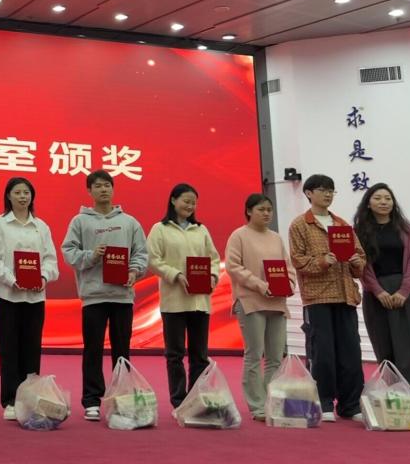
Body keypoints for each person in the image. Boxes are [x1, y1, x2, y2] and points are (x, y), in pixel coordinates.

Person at [61, 169, 147, 421]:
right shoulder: (80, 222)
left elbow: (141, 253)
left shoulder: (129, 222)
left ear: (113, 188)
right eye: (98, 186)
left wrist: (134, 271)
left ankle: (122, 397)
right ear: (89, 191)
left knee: (122, 350)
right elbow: (69, 252)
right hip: (94, 296)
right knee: (93, 349)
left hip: (122, 295)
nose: (103, 190)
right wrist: (91, 255)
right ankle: (92, 401)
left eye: (107, 185)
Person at [288, 173, 366, 422]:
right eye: (322, 190)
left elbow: (360, 257)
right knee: (323, 352)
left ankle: (350, 405)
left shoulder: (342, 224)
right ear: (309, 193)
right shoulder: (300, 224)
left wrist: (356, 261)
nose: (328, 194)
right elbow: (298, 260)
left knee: (351, 351)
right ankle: (323, 402)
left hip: (345, 294)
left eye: (331, 190)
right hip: (318, 297)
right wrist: (323, 261)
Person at [0, 177, 59, 420]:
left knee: (32, 348)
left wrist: (44, 277)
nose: (22, 196)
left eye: (26, 192)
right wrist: (11, 279)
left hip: (35, 297)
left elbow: (50, 259)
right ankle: (10, 401)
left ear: (32, 196)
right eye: (17, 192)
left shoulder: (41, 226)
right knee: (8, 349)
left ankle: (29, 399)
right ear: (8, 196)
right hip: (7, 295)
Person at [147, 182, 221, 408]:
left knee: (200, 355)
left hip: (200, 301)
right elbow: (153, 260)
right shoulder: (160, 229)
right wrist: (175, 274)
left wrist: (213, 276)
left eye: (194, 203)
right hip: (174, 301)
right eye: (186, 201)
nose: (190, 206)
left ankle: (196, 398)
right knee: (175, 354)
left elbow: (214, 259)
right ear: (173, 200)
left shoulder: (201, 229)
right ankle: (179, 401)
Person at [224, 193, 296, 420]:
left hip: (277, 302)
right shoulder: (239, 235)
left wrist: (289, 284)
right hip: (250, 301)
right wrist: (261, 285)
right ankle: (256, 406)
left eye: (269, 210)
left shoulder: (276, 238)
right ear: (248, 211)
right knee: (254, 355)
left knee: (275, 357)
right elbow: (233, 267)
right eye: (261, 209)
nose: (266, 213)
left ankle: (271, 402)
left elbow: (288, 267)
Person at [353, 182, 410, 398]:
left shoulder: (405, 229)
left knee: (408, 352)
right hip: (376, 296)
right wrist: (378, 291)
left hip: (405, 295)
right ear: (368, 204)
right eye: (378, 198)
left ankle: (409, 403)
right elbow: (363, 266)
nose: (383, 202)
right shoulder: (360, 232)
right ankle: (391, 402)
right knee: (384, 350)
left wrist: (404, 291)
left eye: (388, 198)